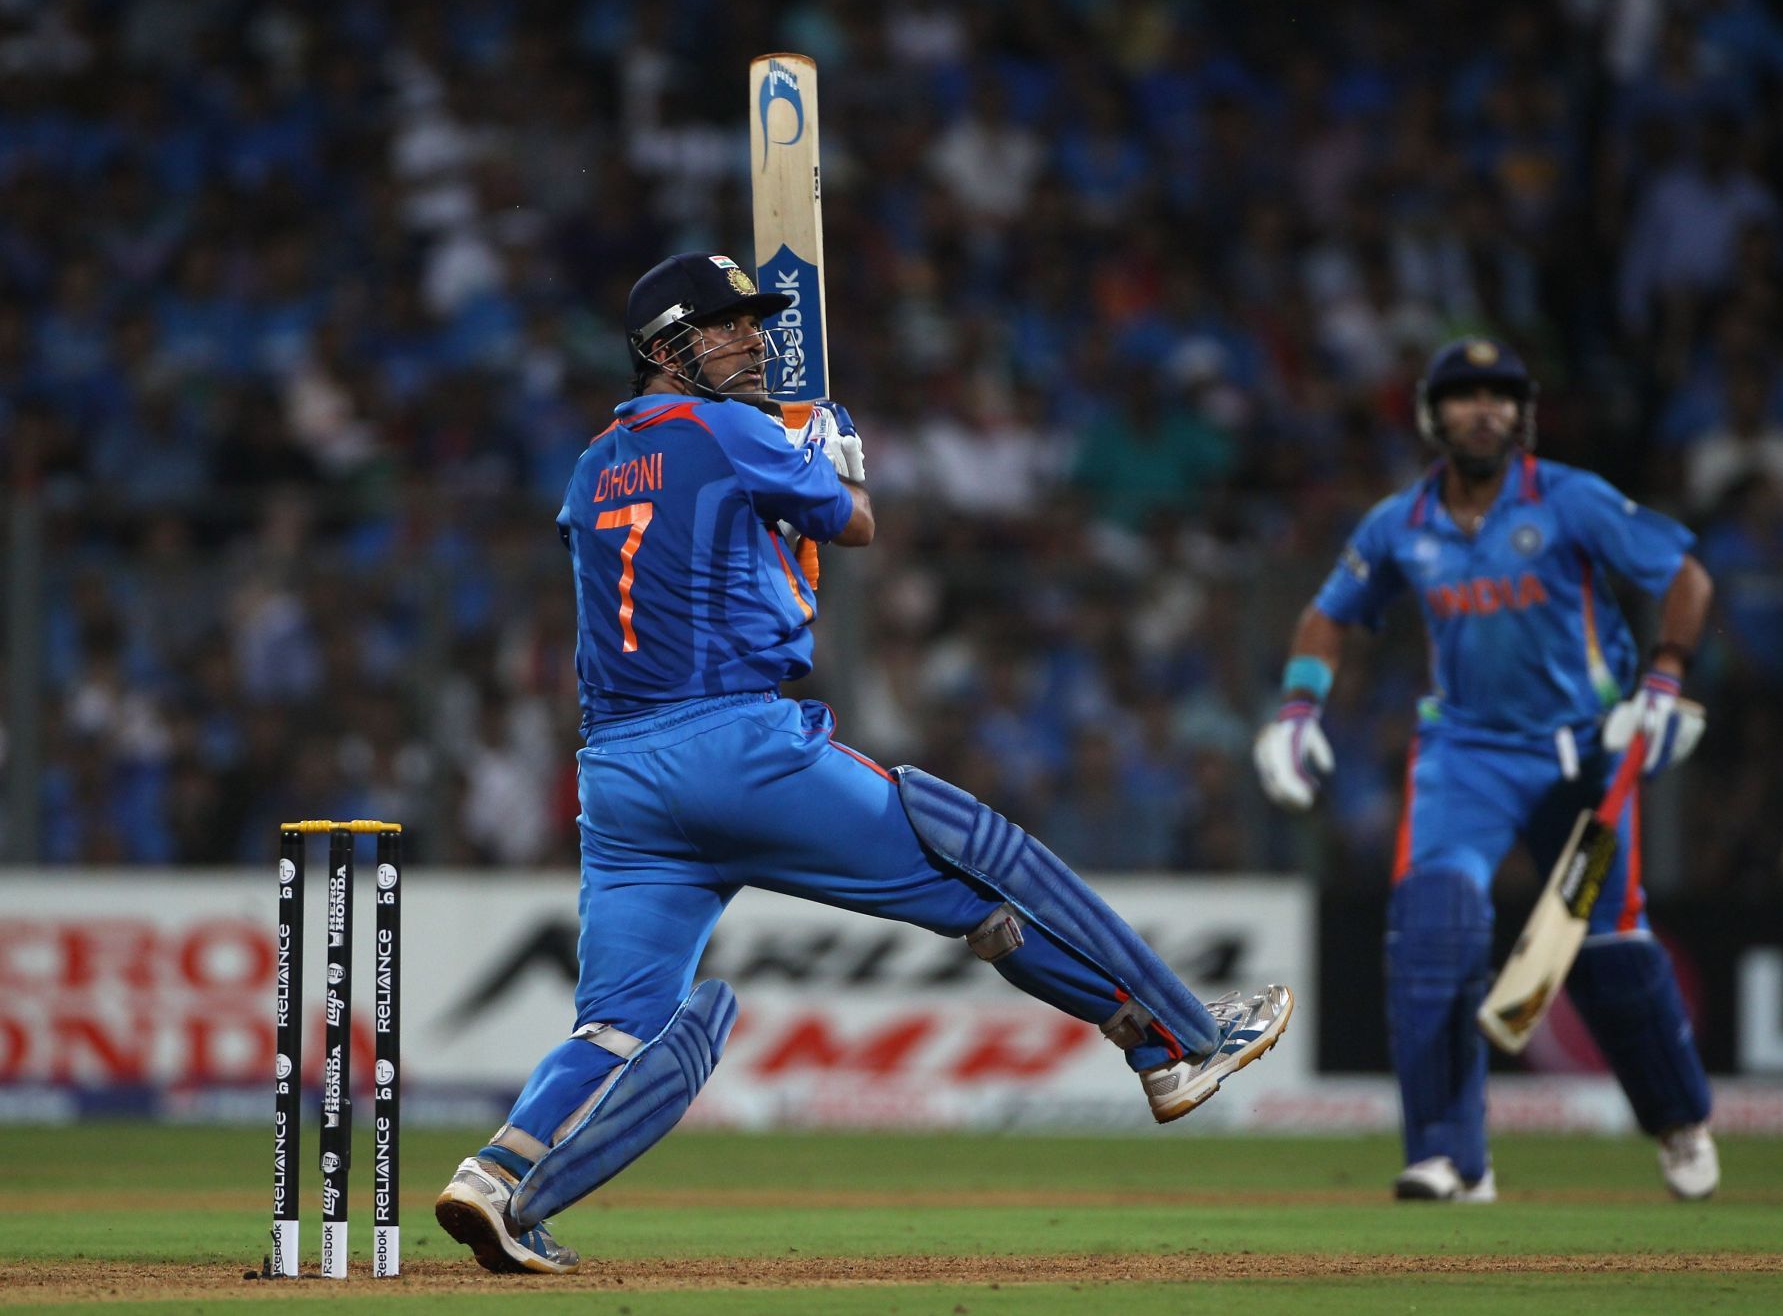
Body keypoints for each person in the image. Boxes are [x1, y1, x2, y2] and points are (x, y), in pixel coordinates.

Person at [433, 251, 1294, 1274]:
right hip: (735, 745)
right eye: (726, 326)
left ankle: (497, 1179)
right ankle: (1181, 1040)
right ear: (667, 349)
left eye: (754, 322)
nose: (753, 338)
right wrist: (835, 451)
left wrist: (786, 506)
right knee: (974, 855)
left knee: (620, 1023)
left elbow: (726, 564)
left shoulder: (591, 464)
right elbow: (856, 524)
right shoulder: (728, 427)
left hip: (618, 776)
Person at [1254, 337, 1718, 1203]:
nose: (1483, 410)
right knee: (1433, 925)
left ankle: (1680, 1121)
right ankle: (1449, 1156)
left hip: (1587, 751)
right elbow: (1327, 617)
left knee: (1609, 955)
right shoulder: (1401, 523)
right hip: (1466, 752)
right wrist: (1296, 710)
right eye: (1463, 396)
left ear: (1522, 414)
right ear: (1434, 416)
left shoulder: (1570, 499)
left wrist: (1665, 680)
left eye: (1499, 396)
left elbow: (1684, 576)